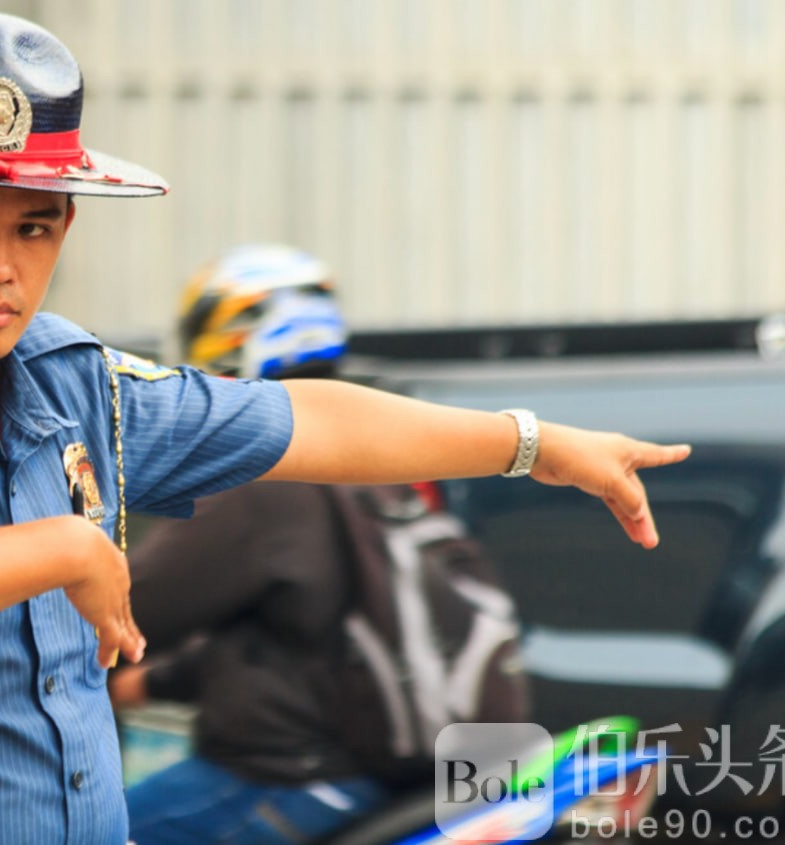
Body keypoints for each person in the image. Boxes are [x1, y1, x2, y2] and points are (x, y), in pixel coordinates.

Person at [0, 11, 690, 845]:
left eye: (33, 228)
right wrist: (61, 545)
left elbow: (304, 420)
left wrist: (533, 443)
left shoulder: (76, 389)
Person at [110, 244, 526, 844]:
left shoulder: (264, 473)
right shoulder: (379, 463)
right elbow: (310, 637)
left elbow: (129, 606)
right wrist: (155, 682)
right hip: (381, 767)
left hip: (295, 776)